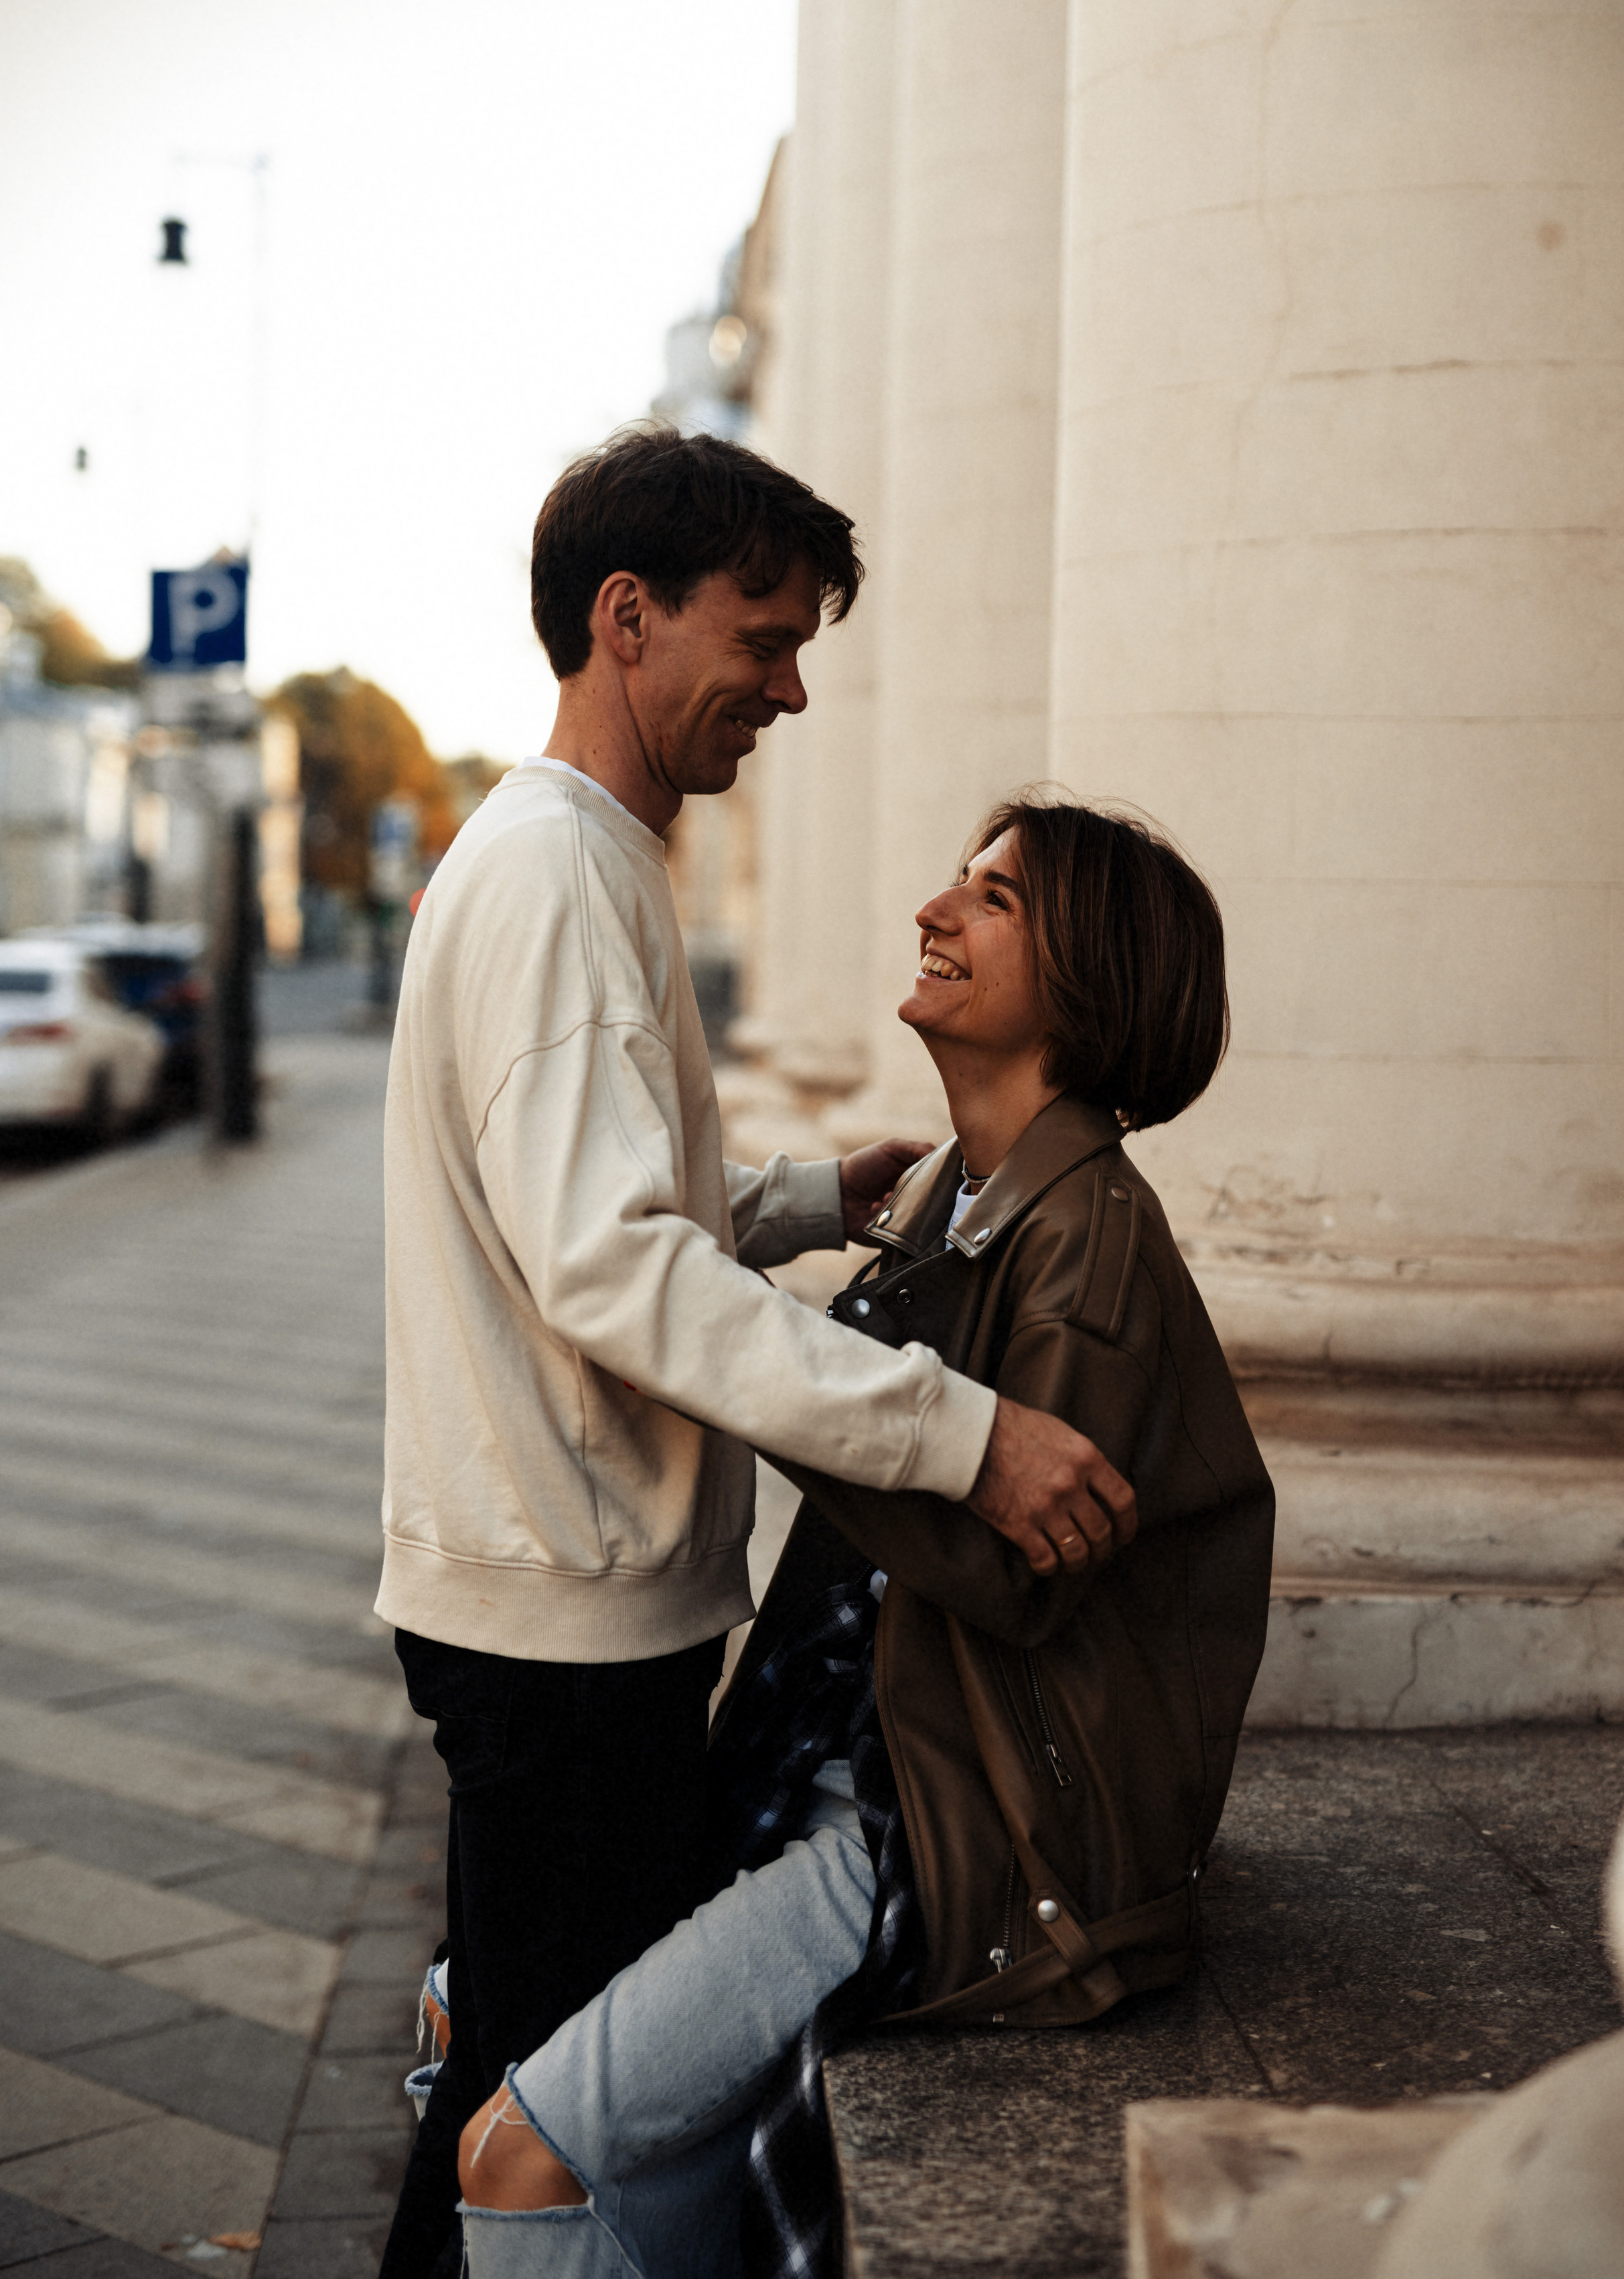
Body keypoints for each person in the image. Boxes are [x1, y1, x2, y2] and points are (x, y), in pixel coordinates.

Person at [375, 433, 1139, 2278]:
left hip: (553, 1599)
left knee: (511, 2087)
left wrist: (795, 1190)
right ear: (625, 618)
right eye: (765, 636)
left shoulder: (572, 849)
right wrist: (965, 1438)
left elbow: (593, 1197)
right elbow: (615, 1272)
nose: (791, 687)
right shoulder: (563, 872)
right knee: (532, 2121)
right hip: (563, 1620)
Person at [451, 794, 1276, 2279]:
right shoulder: (965, 1196)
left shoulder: (1085, 1237)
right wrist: (781, 1312)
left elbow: (1026, 1562)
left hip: (944, 1829)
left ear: (1086, 979)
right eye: (959, 882)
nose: (933, 911)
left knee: (520, 2154)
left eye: (995, 901)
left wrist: (741, 1360)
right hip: (857, 1769)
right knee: (475, 2009)